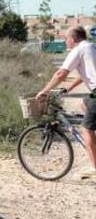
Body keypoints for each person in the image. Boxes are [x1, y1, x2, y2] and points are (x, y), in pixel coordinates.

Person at [36, 26, 96, 179]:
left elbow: (61, 73)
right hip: (93, 95)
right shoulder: (91, 47)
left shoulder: (78, 50)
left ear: (72, 39)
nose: (65, 42)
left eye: (65, 39)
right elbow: (85, 75)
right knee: (83, 104)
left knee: (86, 130)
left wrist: (45, 90)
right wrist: (68, 89)